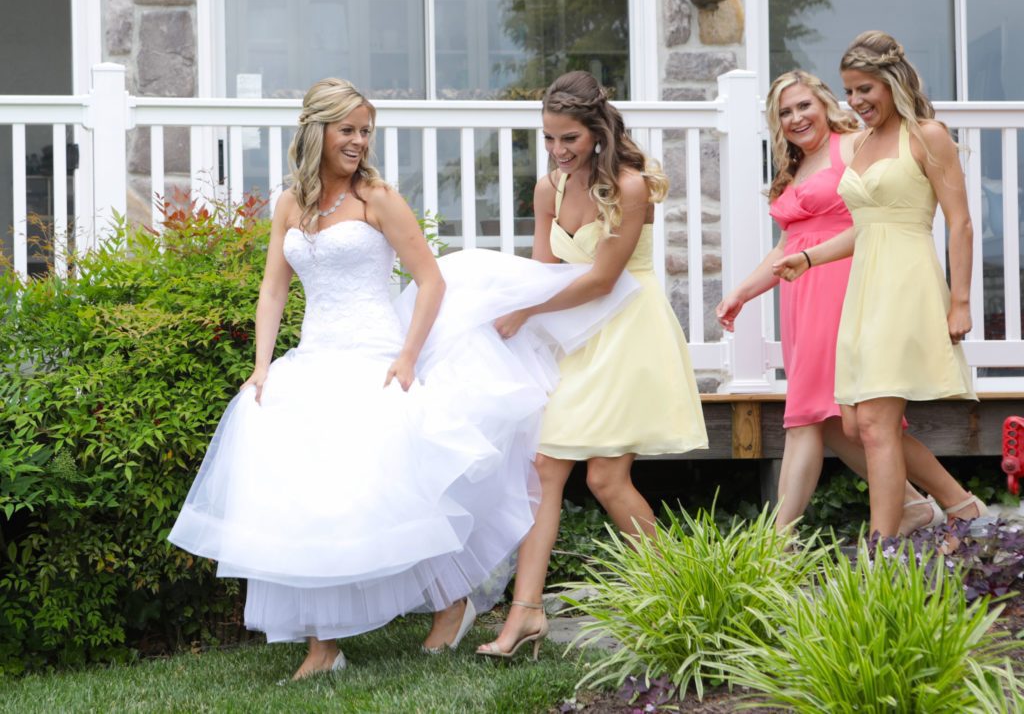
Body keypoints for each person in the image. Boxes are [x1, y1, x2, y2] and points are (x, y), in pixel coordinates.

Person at [168, 78, 640, 680]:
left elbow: (431, 280)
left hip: (377, 357)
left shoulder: (378, 198)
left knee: (399, 494)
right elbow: (274, 286)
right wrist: (262, 366)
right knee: (311, 501)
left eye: (366, 131)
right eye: (348, 130)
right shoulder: (290, 204)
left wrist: (409, 356)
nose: (359, 142)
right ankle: (324, 645)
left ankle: (453, 599)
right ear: (317, 131)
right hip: (312, 359)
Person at [477, 71, 708, 659]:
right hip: (575, 334)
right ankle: (525, 614)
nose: (557, 151)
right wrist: (502, 310)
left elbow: (604, 280)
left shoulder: (632, 187)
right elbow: (543, 271)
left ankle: (686, 597)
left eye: (569, 139)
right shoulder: (548, 188)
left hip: (629, 331)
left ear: (598, 132)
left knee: (606, 477)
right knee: (544, 467)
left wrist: (526, 312)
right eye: (550, 138)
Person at [716, 70, 948, 535]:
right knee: (835, 421)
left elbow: (878, 214)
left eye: (805, 105)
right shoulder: (794, 167)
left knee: (818, 417)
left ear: (824, 104)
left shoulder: (853, 145)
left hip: (844, 284)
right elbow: (787, 245)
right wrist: (743, 291)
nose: (797, 117)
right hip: (800, 298)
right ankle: (925, 504)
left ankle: (775, 545)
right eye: (785, 112)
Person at [773, 32, 986, 536]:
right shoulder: (863, 143)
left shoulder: (927, 135)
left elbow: (960, 223)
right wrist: (808, 257)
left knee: (874, 423)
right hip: (862, 286)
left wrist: (960, 302)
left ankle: (881, 552)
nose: (856, 102)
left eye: (865, 89)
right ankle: (959, 506)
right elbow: (863, 227)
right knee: (853, 424)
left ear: (891, 82)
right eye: (849, 91)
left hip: (905, 281)